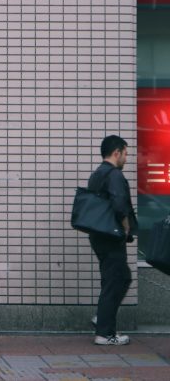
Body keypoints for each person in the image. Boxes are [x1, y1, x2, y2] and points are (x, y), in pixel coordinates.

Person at [87, 135, 137, 346]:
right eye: (125, 153)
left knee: (120, 277)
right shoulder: (114, 175)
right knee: (115, 280)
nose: (126, 158)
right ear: (116, 153)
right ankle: (105, 334)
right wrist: (126, 227)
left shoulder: (97, 174)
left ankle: (102, 318)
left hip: (99, 235)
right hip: (111, 235)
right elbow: (119, 204)